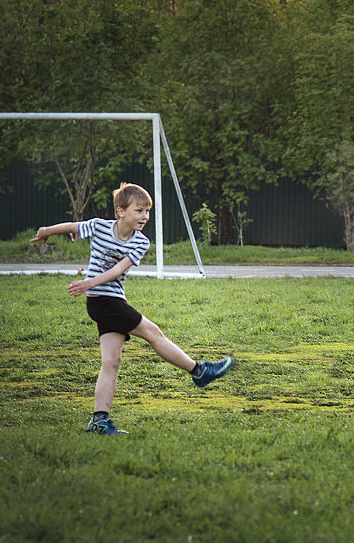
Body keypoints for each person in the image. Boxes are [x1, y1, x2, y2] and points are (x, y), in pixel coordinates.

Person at [31, 182, 235, 435]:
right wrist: (46, 231)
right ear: (121, 212)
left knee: (111, 362)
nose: (144, 216)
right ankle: (199, 370)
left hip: (111, 301)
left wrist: (89, 282)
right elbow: (73, 226)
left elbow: (118, 270)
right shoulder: (100, 226)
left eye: (147, 211)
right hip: (104, 302)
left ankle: (99, 420)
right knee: (153, 332)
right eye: (139, 211)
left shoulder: (141, 242)